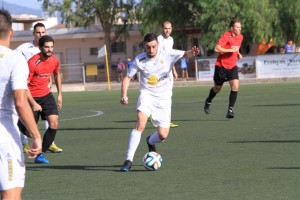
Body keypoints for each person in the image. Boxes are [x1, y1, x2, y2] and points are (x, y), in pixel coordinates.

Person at [119, 33, 199, 172]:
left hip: (164, 98)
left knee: (163, 135)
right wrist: (124, 95)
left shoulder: (167, 53)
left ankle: (150, 141)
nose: (151, 50)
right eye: (148, 47)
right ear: (144, 46)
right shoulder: (139, 60)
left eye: (154, 46)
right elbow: (127, 78)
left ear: (158, 45)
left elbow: (185, 54)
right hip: (147, 95)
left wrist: (192, 52)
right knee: (140, 124)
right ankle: (128, 160)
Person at [0, 9, 42, 199]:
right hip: (4, 135)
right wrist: (36, 135)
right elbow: (20, 102)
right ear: (11, 32)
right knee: (11, 192)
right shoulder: (14, 58)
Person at [16, 22, 62, 153]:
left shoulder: (54, 60)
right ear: (40, 48)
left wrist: (59, 95)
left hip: (46, 95)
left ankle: (41, 153)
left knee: (54, 123)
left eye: (52, 47)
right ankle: (21, 123)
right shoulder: (32, 62)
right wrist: (33, 103)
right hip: (32, 96)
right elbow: (25, 85)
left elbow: (57, 74)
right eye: (47, 47)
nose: (50, 50)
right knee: (30, 133)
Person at [203, 18, 243, 119]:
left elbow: (236, 47)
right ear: (232, 28)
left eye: (240, 27)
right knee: (217, 88)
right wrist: (229, 50)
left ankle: (230, 110)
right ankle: (208, 100)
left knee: (235, 86)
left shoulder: (240, 37)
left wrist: (238, 53)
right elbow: (217, 48)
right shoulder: (226, 36)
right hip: (221, 66)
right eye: (237, 27)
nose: (239, 29)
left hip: (232, 66)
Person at [156, 20, 178, 128]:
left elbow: (170, 56)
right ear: (162, 28)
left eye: (169, 28)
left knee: (169, 95)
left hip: (168, 71)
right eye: (165, 28)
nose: (167, 30)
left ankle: (167, 120)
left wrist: (173, 69)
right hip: (160, 72)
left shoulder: (171, 40)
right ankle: (155, 116)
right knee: (160, 94)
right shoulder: (158, 40)